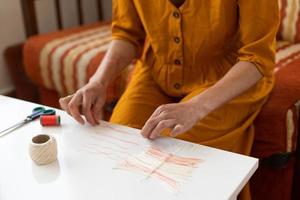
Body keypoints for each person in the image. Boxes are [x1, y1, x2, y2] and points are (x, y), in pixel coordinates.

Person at [59, 1, 279, 199]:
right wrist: (98, 81)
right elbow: (126, 34)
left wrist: (195, 107)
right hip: (156, 71)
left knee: (172, 154)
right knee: (120, 141)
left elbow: (256, 58)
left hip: (228, 78)